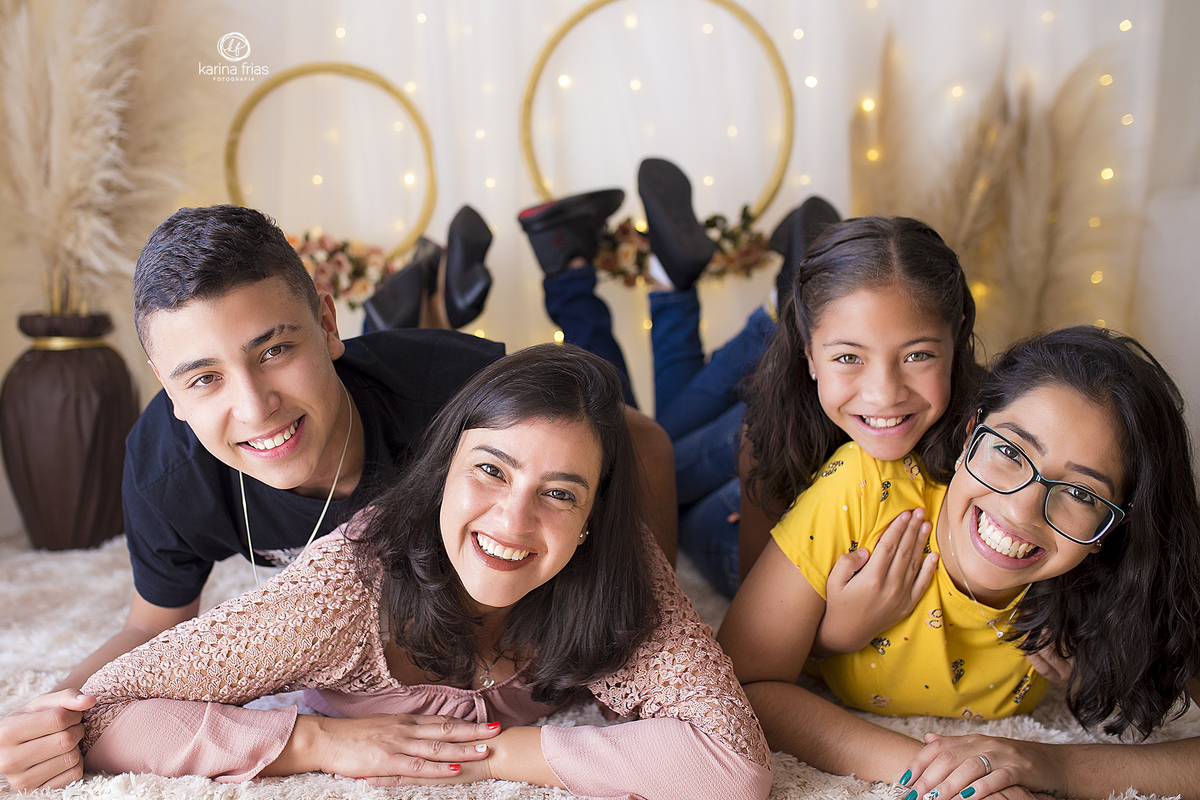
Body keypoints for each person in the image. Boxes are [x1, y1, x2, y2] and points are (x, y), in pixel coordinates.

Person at [0, 205, 676, 793]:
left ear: (326, 320)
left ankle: (426, 307)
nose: (254, 407)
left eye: (274, 350)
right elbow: (153, 629)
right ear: (166, 387)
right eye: (203, 378)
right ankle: (414, 296)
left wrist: (634, 630)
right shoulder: (164, 472)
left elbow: (638, 442)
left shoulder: (455, 390)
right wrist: (49, 714)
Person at [76, 345, 773, 799]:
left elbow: (734, 766)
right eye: (490, 471)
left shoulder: (616, 565)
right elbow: (106, 712)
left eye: (560, 493)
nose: (513, 520)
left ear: (591, 517)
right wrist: (315, 741)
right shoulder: (337, 594)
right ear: (444, 473)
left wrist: (490, 756)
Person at [718, 326, 1200, 800]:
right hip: (745, 518)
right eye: (1009, 451)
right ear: (971, 433)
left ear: (1113, 527)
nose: (1021, 510)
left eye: (1079, 493)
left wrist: (1043, 762)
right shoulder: (862, 490)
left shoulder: (1127, 580)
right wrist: (951, 775)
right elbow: (739, 687)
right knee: (727, 456)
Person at [518, 156, 840, 597]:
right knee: (653, 435)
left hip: (729, 510)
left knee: (644, 461)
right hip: (744, 509)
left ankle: (756, 310)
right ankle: (576, 263)